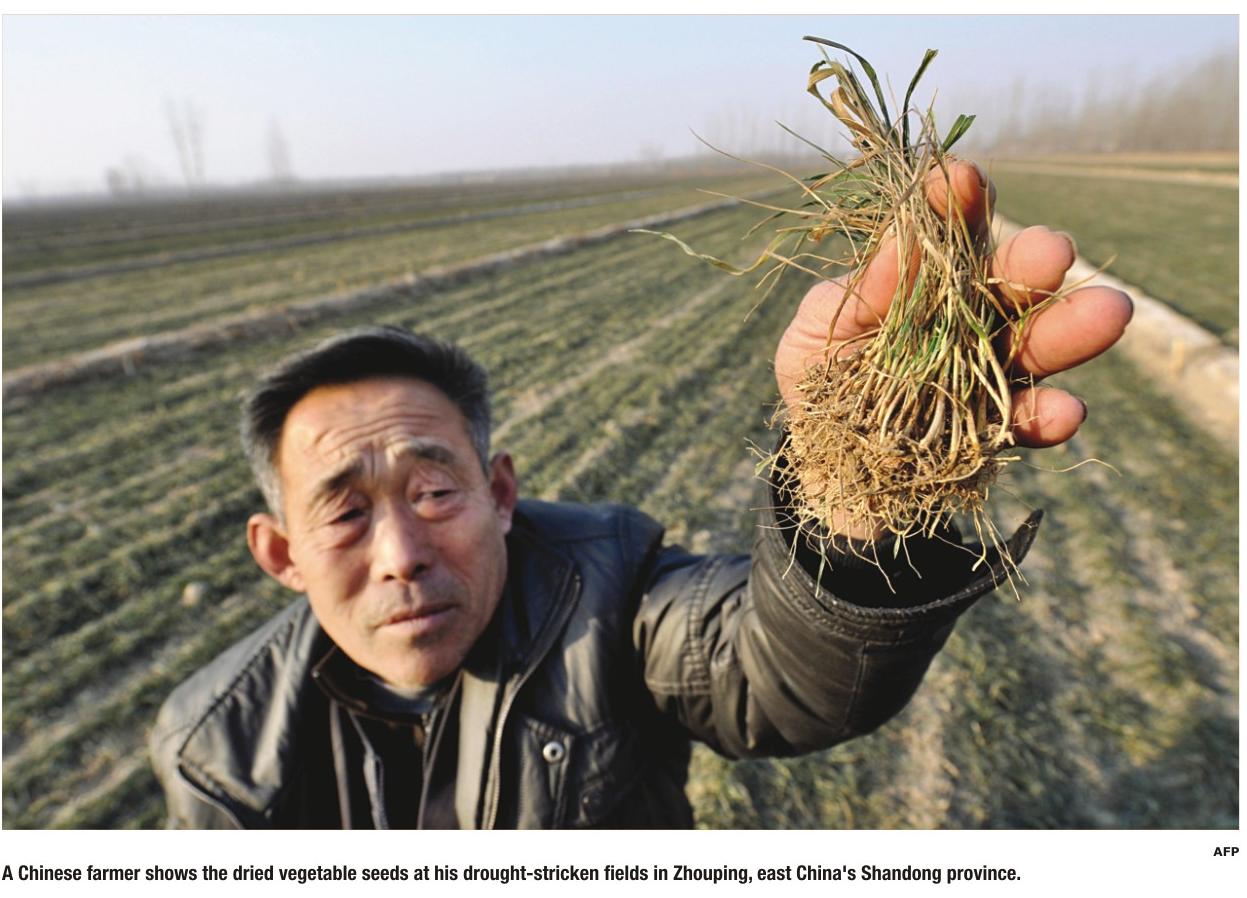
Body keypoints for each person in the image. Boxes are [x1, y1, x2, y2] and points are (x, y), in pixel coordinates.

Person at [149, 163, 1133, 828]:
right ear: (280, 552)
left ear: (501, 493)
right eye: (345, 511)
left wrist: (852, 490)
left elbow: (781, 678)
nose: (400, 553)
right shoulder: (220, 751)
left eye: (434, 489)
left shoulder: (611, 595)